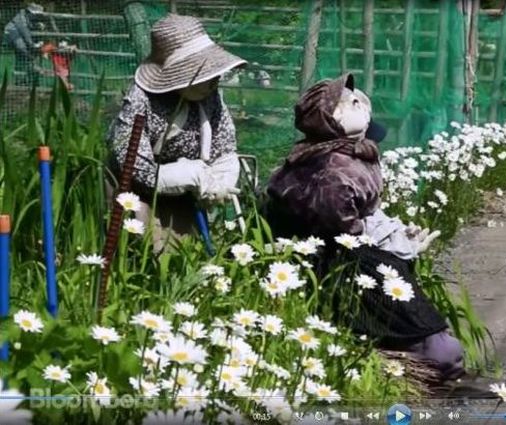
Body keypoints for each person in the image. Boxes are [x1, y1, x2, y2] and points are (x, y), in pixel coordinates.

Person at [264, 74, 466, 384]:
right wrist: (392, 243)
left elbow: (361, 217)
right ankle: (395, 359)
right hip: (333, 262)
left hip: (348, 254)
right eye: (350, 102)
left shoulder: (346, 157)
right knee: (435, 347)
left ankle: (409, 351)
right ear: (329, 119)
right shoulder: (330, 170)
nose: (361, 105)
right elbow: (343, 231)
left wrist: (392, 235)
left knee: (422, 324)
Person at [106, 14, 246, 251]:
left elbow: (223, 144)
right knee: (142, 245)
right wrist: (187, 174)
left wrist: (222, 174)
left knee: (184, 253)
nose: (213, 81)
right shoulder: (141, 102)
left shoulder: (211, 98)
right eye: (203, 74)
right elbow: (133, 167)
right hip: (135, 190)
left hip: (183, 195)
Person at [3, 3, 45, 86]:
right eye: (35, 14)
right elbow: (25, 33)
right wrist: (32, 45)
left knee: (23, 56)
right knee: (22, 48)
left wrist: (36, 25)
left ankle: (26, 79)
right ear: (30, 12)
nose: (36, 16)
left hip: (19, 35)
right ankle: (31, 65)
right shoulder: (21, 19)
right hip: (11, 33)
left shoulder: (27, 17)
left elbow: (29, 27)